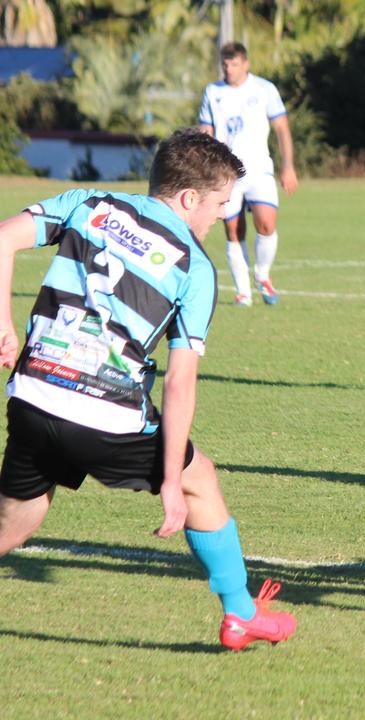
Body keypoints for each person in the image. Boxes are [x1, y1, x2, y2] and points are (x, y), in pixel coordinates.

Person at [0, 128, 297, 651]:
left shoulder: (88, 202)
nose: (222, 217)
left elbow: (3, 237)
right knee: (198, 478)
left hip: (33, 394)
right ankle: (240, 614)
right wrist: (168, 478)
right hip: (106, 417)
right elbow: (181, 381)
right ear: (188, 199)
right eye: (220, 205)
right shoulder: (195, 266)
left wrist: (4, 323)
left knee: (15, 522)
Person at [198, 41, 298, 307]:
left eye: (234, 64)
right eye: (225, 65)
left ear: (246, 64)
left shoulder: (265, 89)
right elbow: (205, 131)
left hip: (259, 169)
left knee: (266, 223)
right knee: (233, 229)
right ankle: (243, 291)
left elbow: (282, 129)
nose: (229, 69)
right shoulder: (212, 92)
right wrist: (204, 168)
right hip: (225, 172)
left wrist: (288, 165)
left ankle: (262, 275)